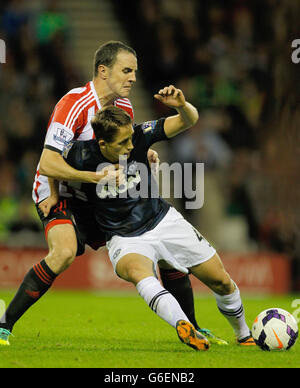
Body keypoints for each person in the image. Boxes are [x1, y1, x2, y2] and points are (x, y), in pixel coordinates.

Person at [0, 41, 213, 346]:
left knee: (161, 244)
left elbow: (124, 147)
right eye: (126, 71)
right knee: (63, 253)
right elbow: (48, 162)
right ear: (103, 71)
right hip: (58, 191)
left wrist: (143, 156)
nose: (133, 78)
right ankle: (4, 325)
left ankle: (192, 327)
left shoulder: (123, 107)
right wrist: (84, 180)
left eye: (135, 72)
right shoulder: (73, 104)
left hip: (99, 197)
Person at [60, 85, 256, 351]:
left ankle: (244, 334)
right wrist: (54, 192)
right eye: (122, 143)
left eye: (131, 139)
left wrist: (181, 106)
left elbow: (190, 120)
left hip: (163, 221)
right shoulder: (80, 154)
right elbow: (47, 165)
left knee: (221, 280)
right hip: (124, 237)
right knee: (139, 273)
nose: (131, 146)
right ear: (102, 143)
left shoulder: (140, 134)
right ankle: (182, 325)